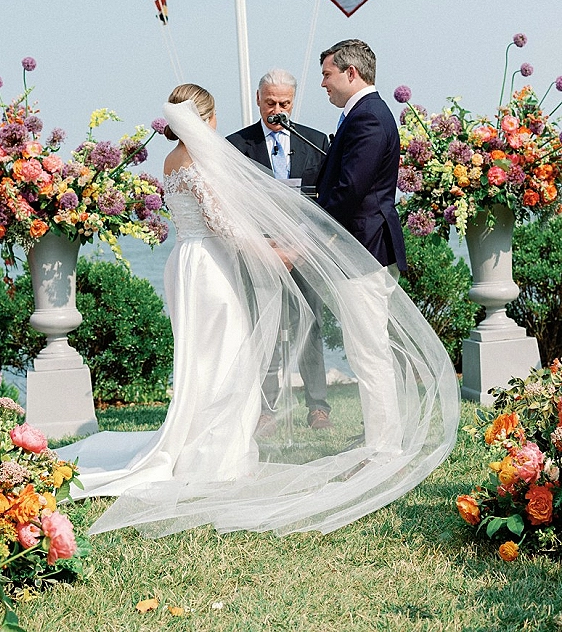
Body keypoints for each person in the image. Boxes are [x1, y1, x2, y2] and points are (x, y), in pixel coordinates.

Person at [62, 82, 460, 538]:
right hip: (211, 267)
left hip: (187, 263)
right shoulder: (198, 162)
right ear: (203, 118)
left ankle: (197, 441)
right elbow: (225, 225)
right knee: (229, 358)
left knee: (201, 359)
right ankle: (217, 455)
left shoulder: (171, 160)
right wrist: (276, 253)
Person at [227, 69, 332, 433]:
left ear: (293, 102)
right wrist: (265, 246)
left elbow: (325, 203)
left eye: (284, 103)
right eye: (270, 102)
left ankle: (318, 407)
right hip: (259, 252)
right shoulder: (236, 145)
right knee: (263, 328)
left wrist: (298, 245)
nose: (277, 109)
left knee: (312, 326)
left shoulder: (316, 141)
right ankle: (265, 408)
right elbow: (231, 204)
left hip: (305, 251)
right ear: (258, 99)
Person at [317, 39, 407, 274]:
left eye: (327, 74)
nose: (323, 83)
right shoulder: (365, 112)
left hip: (365, 252)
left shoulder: (368, 118)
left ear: (351, 72)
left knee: (367, 313)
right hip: (362, 251)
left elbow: (350, 189)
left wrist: (310, 234)